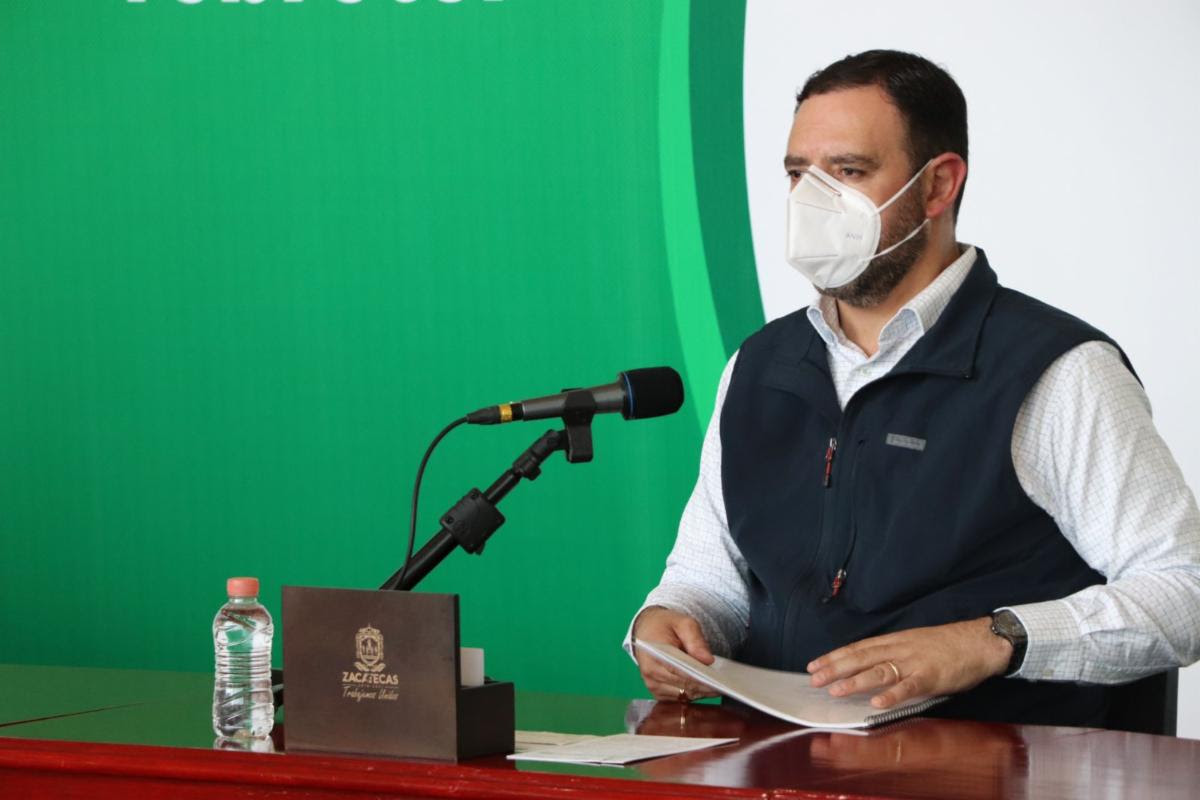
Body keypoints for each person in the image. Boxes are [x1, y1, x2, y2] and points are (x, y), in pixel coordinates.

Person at [625, 49, 1200, 727]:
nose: (813, 200)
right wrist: (672, 620)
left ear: (937, 186)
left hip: (987, 764)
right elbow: (708, 578)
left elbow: (1184, 590)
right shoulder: (757, 366)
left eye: (848, 171)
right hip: (773, 758)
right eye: (798, 173)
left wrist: (992, 641)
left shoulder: (1057, 370)